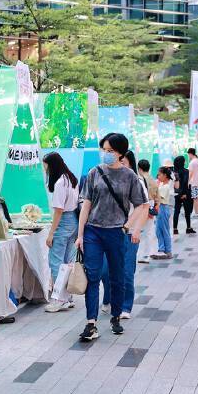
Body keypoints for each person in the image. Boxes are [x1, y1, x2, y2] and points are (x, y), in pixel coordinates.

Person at [76, 133, 148, 341]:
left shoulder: (130, 177)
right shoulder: (94, 173)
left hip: (117, 233)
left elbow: (142, 204)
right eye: (104, 150)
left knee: (117, 277)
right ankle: (91, 323)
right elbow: (86, 205)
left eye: (110, 151)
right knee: (93, 276)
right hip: (93, 231)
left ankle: (115, 316)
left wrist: (128, 226)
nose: (106, 154)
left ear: (121, 153)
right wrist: (80, 235)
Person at [100, 151, 149, 319]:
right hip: (108, 232)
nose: (121, 166)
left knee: (126, 271)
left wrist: (136, 229)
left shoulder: (137, 180)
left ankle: (125, 306)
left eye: (124, 162)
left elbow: (144, 207)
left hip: (128, 233)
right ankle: (108, 298)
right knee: (105, 271)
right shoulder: (106, 178)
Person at [42, 152, 79, 313]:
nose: (45, 170)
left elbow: (58, 210)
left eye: (46, 166)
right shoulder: (71, 179)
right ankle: (67, 297)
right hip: (73, 221)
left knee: (56, 262)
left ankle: (59, 299)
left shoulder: (59, 183)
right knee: (66, 262)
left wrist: (51, 233)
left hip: (63, 221)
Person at [136, 159, 158, 264]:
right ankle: (148, 253)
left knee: (137, 230)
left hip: (142, 206)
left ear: (139, 168)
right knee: (149, 231)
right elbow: (158, 197)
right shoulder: (153, 180)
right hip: (152, 204)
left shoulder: (139, 179)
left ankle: (140, 254)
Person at [152, 166, 174, 259]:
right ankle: (162, 249)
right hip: (161, 208)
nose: (158, 176)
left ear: (165, 175)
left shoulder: (166, 186)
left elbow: (159, 198)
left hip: (163, 208)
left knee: (164, 230)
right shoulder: (162, 185)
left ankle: (167, 251)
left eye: (160, 174)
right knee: (159, 230)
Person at [172, 155, 195, 235]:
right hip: (185, 193)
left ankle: (175, 229)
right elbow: (185, 183)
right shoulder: (185, 171)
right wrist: (184, 194)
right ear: (182, 162)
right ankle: (188, 228)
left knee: (176, 211)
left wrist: (178, 193)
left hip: (176, 193)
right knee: (187, 211)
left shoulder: (174, 171)